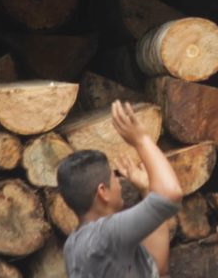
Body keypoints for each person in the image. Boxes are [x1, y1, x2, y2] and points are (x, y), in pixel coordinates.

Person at [57, 100, 183, 278]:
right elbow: (171, 193)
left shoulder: (75, 244)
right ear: (103, 192)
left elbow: (156, 266)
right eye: (113, 177)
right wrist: (141, 140)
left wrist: (147, 190)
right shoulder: (106, 235)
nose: (119, 182)